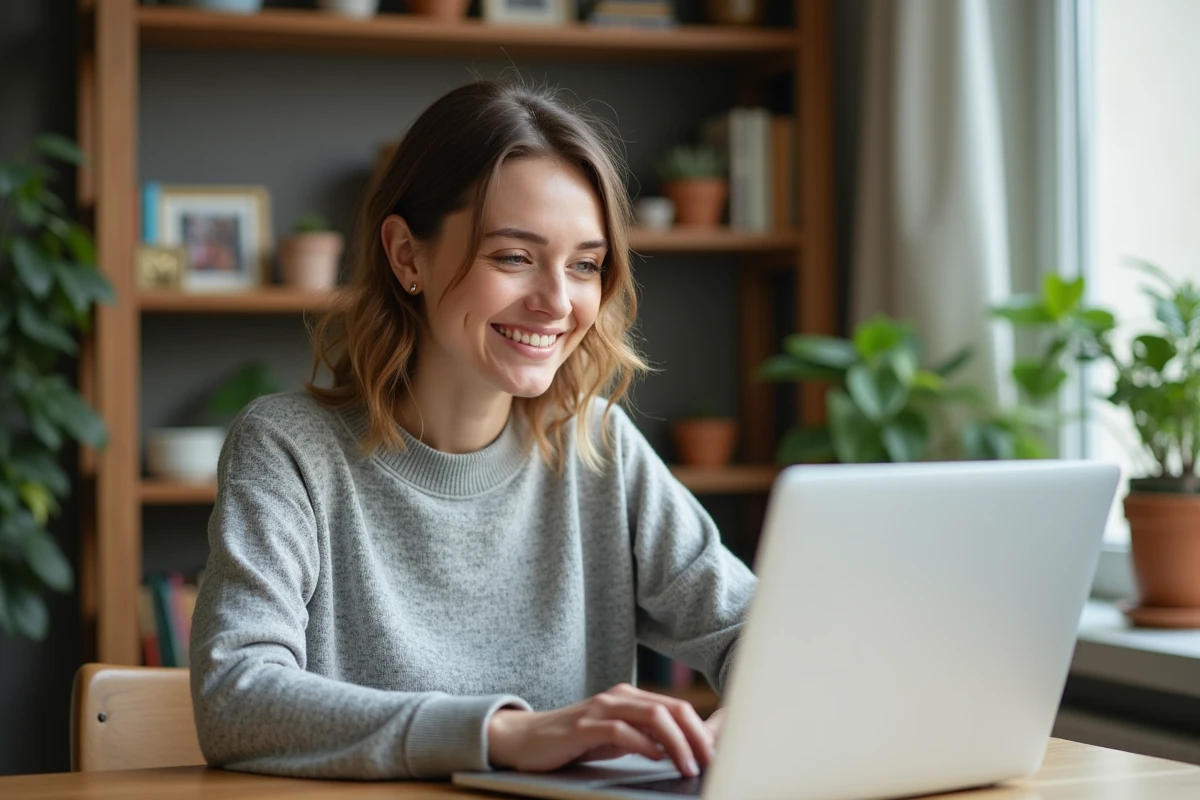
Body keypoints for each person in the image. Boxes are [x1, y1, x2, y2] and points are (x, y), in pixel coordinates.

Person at [189, 79, 757, 782]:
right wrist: (504, 734)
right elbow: (234, 698)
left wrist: (763, 712)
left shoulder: (598, 445)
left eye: (585, 264)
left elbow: (761, 634)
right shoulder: (287, 449)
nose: (557, 302)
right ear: (406, 256)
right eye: (513, 257)